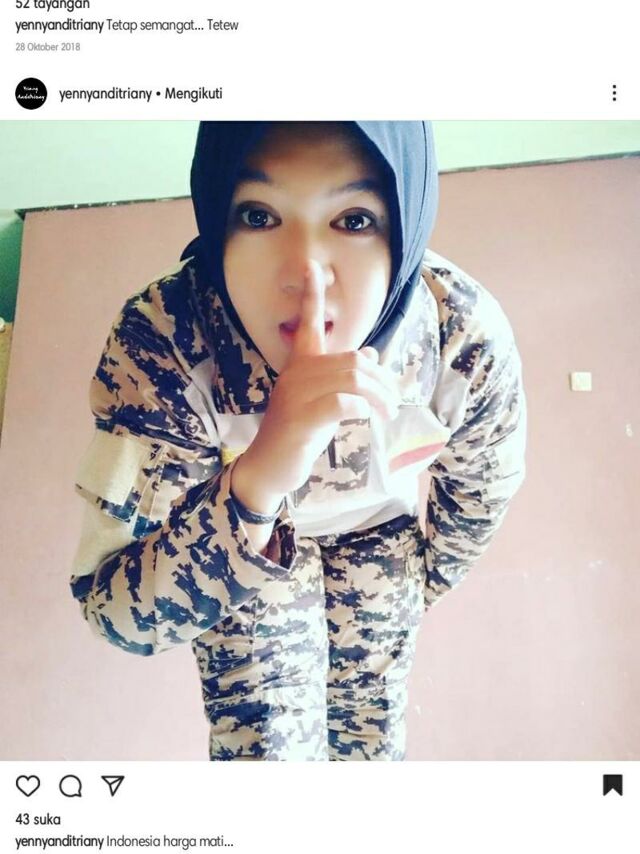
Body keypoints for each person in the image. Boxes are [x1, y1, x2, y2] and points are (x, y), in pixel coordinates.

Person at [70, 121, 527, 761]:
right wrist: (261, 477)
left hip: (379, 532)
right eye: (258, 216)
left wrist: (423, 583)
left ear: (405, 224)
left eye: (354, 220)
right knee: (269, 744)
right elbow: (118, 611)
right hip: (240, 533)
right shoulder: (165, 338)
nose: (306, 272)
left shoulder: (460, 332)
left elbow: (481, 491)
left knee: (369, 737)